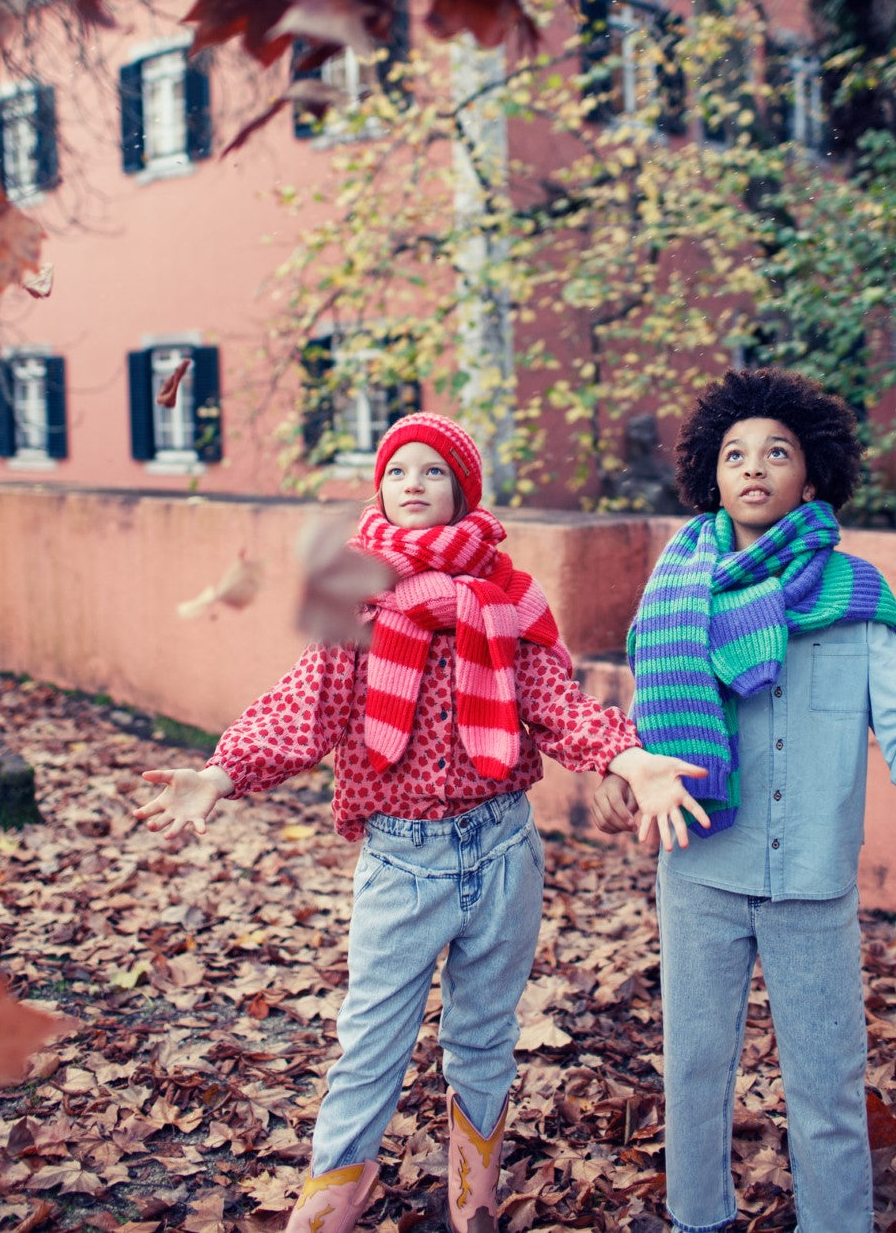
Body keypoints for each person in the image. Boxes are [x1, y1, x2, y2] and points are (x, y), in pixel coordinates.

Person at [135, 412, 709, 1233]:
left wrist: (624, 756)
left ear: (461, 490)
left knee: (482, 1039)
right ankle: (329, 1203)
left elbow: (550, 699)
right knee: (370, 1043)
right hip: (403, 861)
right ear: (380, 487)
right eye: (398, 470)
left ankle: (472, 1198)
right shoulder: (357, 594)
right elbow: (312, 702)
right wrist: (224, 772)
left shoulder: (509, 596)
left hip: (503, 848)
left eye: (433, 472)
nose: (413, 483)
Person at [591, 367, 896, 1233]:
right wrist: (621, 767)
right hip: (702, 870)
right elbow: (645, 728)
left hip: (813, 886)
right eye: (734, 454)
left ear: (813, 475)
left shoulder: (857, 601)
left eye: (777, 452)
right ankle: (697, 1218)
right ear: (710, 477)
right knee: (694, 1069)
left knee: (826, 1084)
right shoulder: (678, 594)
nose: (753, 467)